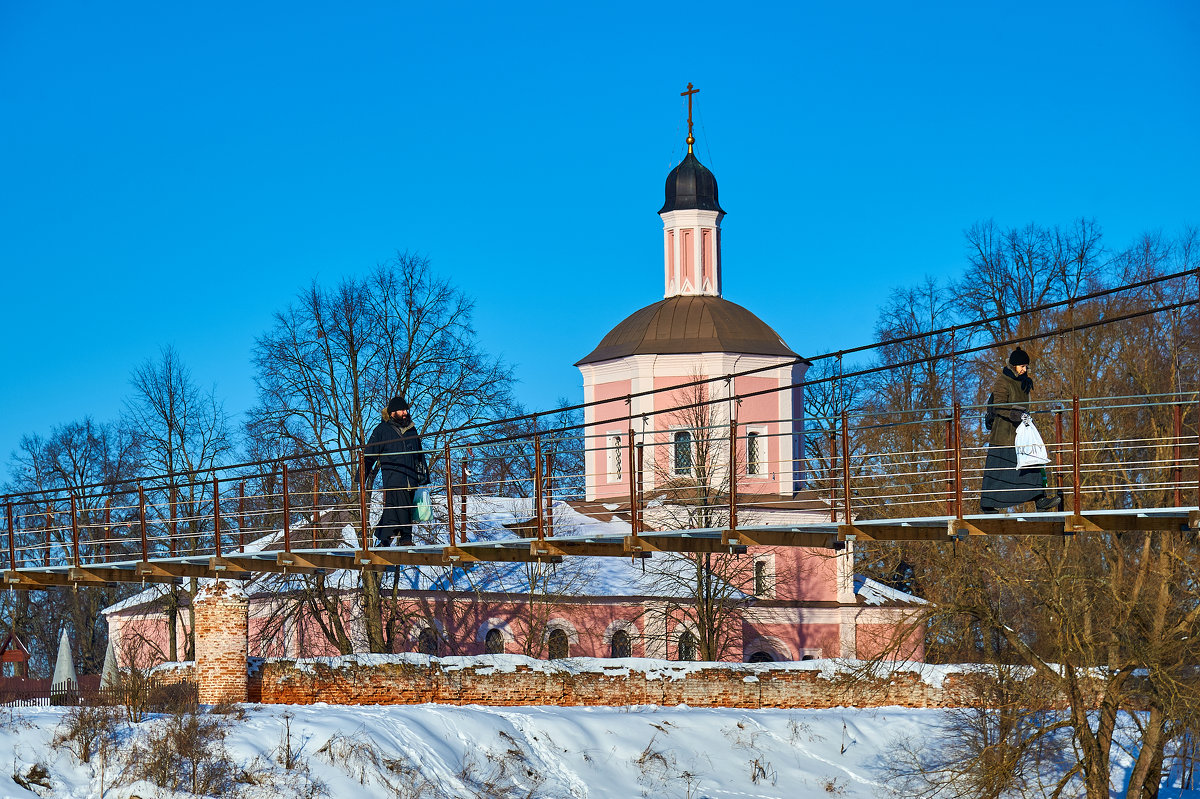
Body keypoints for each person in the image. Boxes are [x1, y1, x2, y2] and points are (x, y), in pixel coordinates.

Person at [979, 347, 1063, 513]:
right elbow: (999, 405)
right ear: (1013, 366)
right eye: (1022, 366)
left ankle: (1040, 499)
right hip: (1004, 435)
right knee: (1000, 472)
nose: (1024, 369)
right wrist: (1014, 413)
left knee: (1032, 464)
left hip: (1022, 434)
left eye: (1026, 366)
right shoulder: (1003, 382)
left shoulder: (1024, 382)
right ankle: (988, 504)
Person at [362, 395, 430, 546]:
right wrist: (361, 475)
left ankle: (384, 540)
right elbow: (370, 453)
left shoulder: (412, 430)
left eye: (406, 409)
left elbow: (419, 454)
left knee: (394, 511)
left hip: (411, 477)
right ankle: (406, 538)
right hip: (394, 476)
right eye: (401, 410)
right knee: (402, 507)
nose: (405, 412)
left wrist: (423, 477)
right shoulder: (382, 430)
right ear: (392, 413)